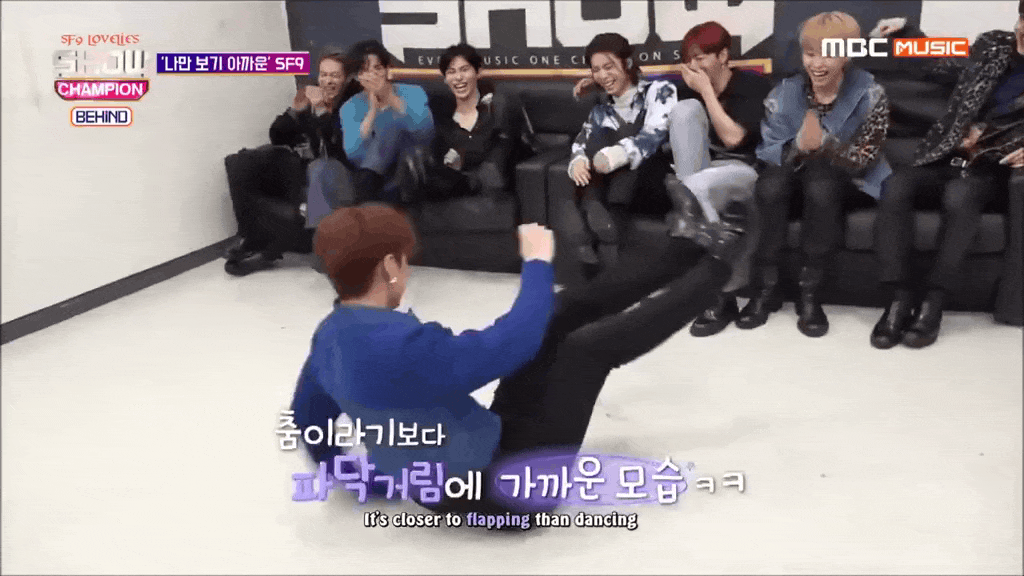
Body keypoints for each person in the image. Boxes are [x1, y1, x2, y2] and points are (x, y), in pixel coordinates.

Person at [289, 203, 750, 521]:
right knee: (586, 350)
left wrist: (364, 477)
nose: (407, 272)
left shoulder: (327, 339)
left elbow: (309, 420)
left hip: (480, 453)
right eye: (405, 263)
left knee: (556, 313)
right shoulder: (403, 345)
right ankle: (720, 267)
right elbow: (511, 345)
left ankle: (685, 248)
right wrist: (537, 263)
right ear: (390, 267)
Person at [869, 5, 1024, 349]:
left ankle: (933, 303)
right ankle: (898, 298)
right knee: (894, 186)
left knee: (959, 197)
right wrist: (906, 32)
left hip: (989, 165)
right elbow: (937, 64)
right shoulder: (991, 45)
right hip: (944, 154)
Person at [747, 11, 892, 338]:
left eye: (829, 54)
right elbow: (768, 151)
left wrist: (826, 144)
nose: (817, 63)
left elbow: (866, 158)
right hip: (791, 172)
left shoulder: (870, 93)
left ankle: (809, 292)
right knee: (769, 187)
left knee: (821, 183)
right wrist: (797, 145)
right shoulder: (784, 93)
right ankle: (766, 287)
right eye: (810, 53)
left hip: (845, 177)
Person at [654, 21, 774, 337]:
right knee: (684, 111)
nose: (694, 67)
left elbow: (734, 139)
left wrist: (707, 92)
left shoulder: (753, 86)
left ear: (723, 56)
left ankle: (718, 296)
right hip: (699, 171)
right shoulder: (686, 92)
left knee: (696, 190)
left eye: (701, 58)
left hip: (744, 171)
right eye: (688, 60)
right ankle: (719, 296)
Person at [224, 48, 350, 276]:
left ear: (346, 79)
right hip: (302, 166)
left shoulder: (350, 105)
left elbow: (338, 149)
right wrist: (295, 111)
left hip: (333, 170)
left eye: (335, 76)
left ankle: (270, 252)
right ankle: (249, 236)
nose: (328, 81)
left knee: (313, 168)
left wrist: (322, 110)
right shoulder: (311, 100)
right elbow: (277, 135)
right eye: (324, 75)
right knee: (241, 161)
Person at [566, 32, 678, 267]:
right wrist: (577, 160)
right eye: (596, 70)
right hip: (616, 187)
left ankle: (593, 209)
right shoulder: (601, 109)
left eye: (608, 67)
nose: (602, 76)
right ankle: (597, 212)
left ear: (626, 63)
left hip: (652, 179)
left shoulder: (659, 90)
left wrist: (617, 154)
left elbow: (654, 135)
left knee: (615, 142)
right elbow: (581, 141)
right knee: (597, 136)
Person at [421, 43, 524, 200]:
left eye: (464, 70)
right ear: (445, 79)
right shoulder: (440, 113)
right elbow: (440, 156)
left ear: (478, 72)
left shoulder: (497, 107)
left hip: (491, 183)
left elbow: (499, 154)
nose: (458, 77)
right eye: (451, 72)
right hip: (450, 184)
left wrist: (460, 159)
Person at [340, 40, 435, 204]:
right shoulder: (350, 107)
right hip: (377, 176)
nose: (373, 75)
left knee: (392, 128)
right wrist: (372, 111)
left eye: (377, 68)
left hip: (415, 166)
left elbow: (426, 132)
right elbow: (354, 154)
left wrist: (390, 97)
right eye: (365, 70)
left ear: (387, 69)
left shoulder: (413, 92)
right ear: (357, 76)